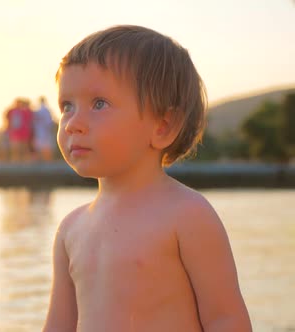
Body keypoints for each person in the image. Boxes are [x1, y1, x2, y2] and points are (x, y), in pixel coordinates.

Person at [43, 25, 251, 331]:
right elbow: (59, 326)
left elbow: (226, 320)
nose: (73, 123)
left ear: (163, 126)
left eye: (99, 103)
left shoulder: (187, 215)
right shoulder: (70, 229)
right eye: (67, 106)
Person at [32, 96, 56, 161]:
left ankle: (42, 162)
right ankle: (48, 162)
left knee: (40, 148)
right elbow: (50, 122)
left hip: (39, 132)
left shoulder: (37, 110)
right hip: (45, 132)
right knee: (47, 148)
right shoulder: (46, 110)